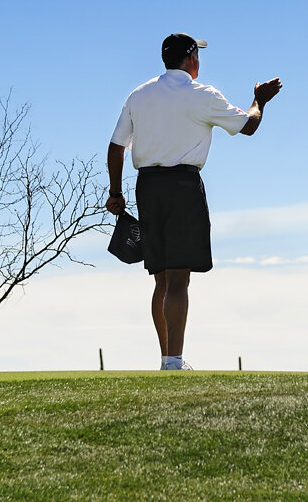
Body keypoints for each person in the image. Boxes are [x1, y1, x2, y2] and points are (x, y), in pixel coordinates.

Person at [105, 33, 282, 370]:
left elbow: (116, 147)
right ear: (191, 60)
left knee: (161, 278)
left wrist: (116, 192)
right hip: (184, 185)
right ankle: (174, 360)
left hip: (148, 186)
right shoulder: (203, 95)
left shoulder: (139, 95)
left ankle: (167, 358)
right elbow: (248, 126)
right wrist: (259, 100)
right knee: (179, 279)